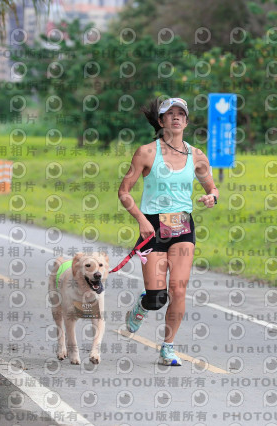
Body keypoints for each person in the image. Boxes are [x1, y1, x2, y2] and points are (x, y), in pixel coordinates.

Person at [117, 97, 218, 366]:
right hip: (153, 227)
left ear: (186, 121)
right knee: (157, 298)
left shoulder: (197, 156)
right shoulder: (146, 153)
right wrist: (140, 219)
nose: (175, 118)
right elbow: (124, 191)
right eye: (169, 114)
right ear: (161, 121)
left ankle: (168, 347)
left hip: (183, 227)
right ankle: (143, 305)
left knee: (179, 290)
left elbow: (212, 188)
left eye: (180, 114)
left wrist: (212, 197)